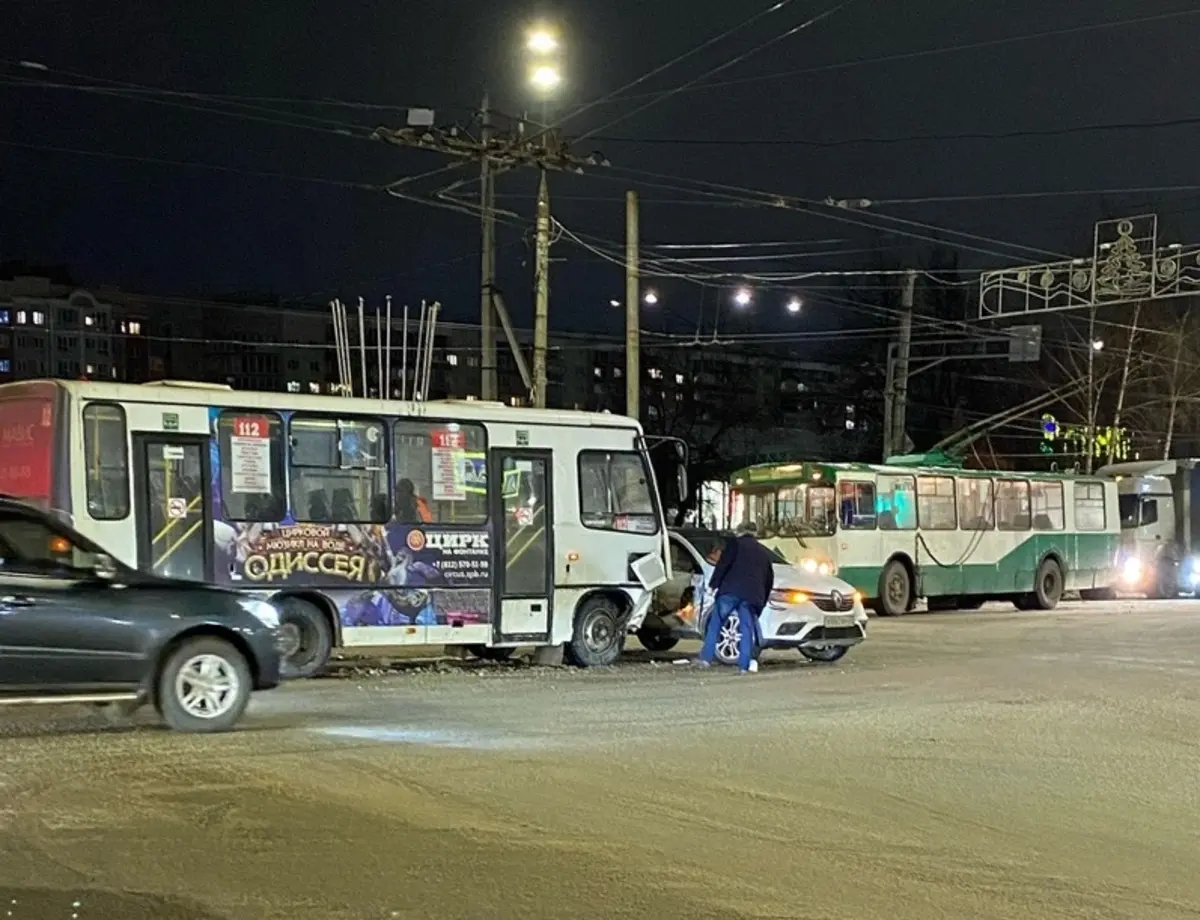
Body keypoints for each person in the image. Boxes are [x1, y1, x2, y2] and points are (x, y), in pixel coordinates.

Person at [698, 523, 775, 673]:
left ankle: (705, 659)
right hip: (752, 597)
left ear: (740, 532)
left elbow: (723, 565)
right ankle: (743, 666)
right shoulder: (764, 553)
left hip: (730, 592)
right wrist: (761, 603)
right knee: (746, 629)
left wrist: (713, 584)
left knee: (716, 622)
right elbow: (768, 580)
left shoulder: (734, 545)